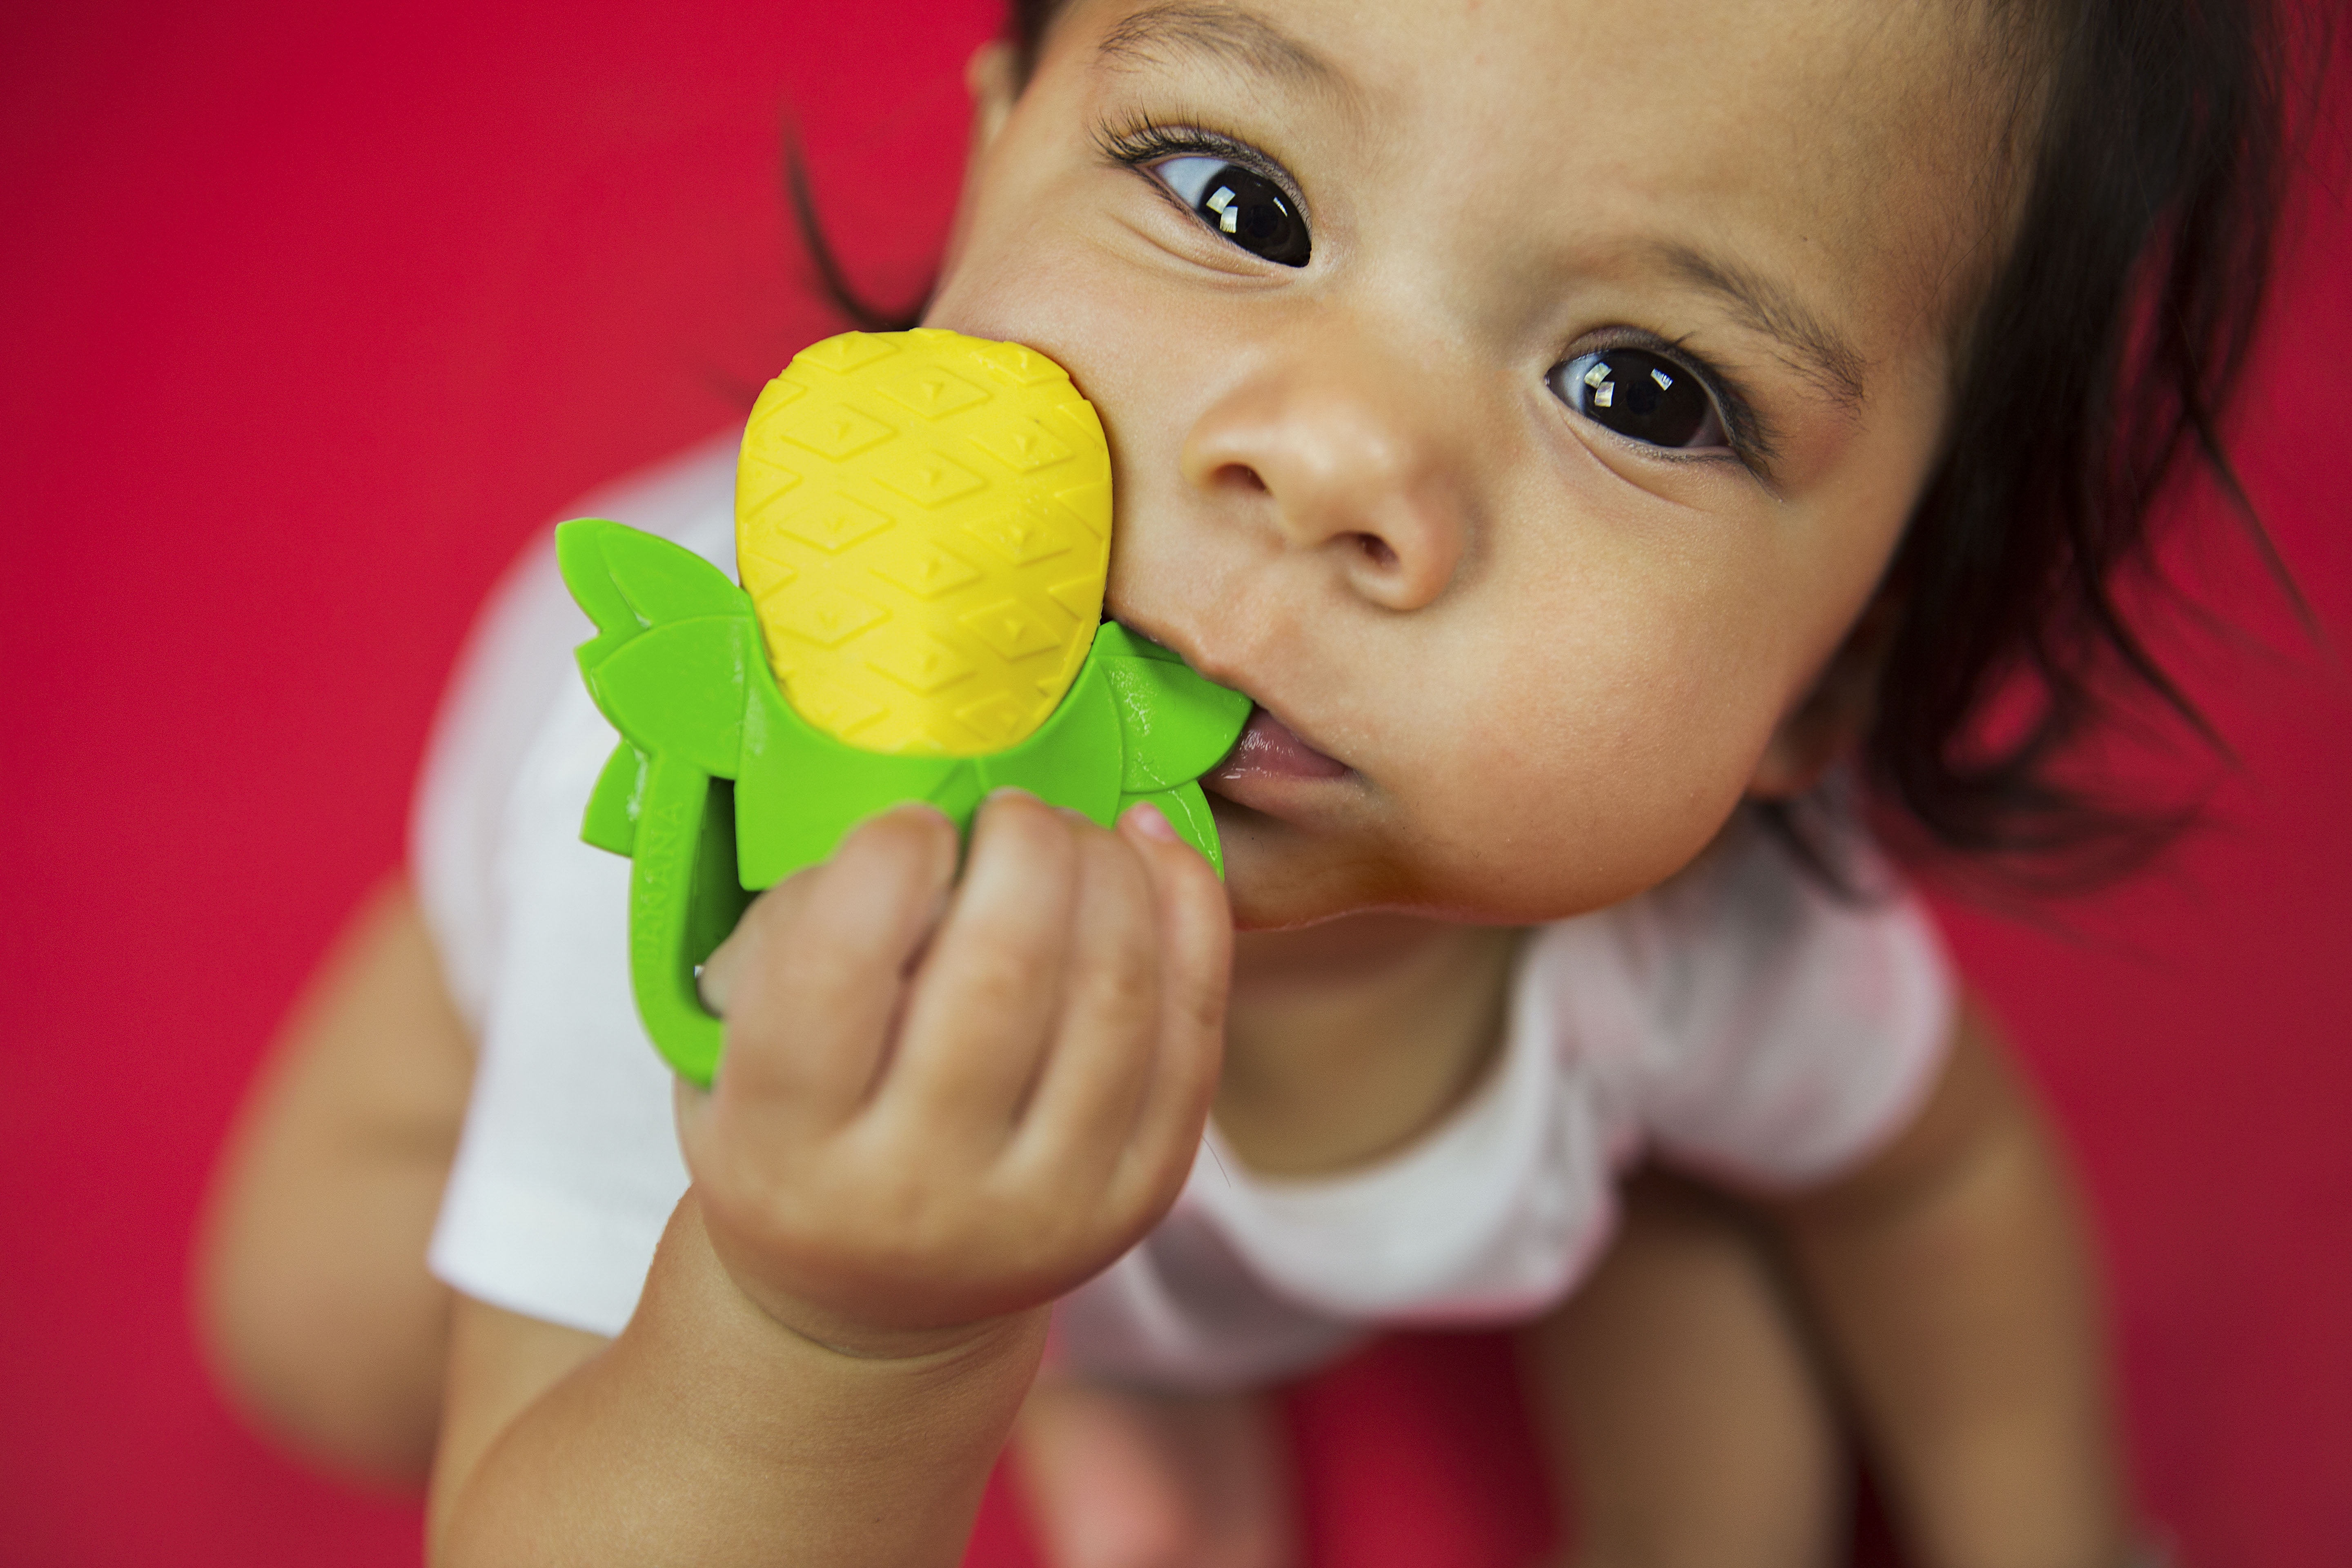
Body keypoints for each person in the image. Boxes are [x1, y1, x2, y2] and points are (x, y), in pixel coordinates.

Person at [196, 0, 2294, 1563]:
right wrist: (840, 1332)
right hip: (708, 1159)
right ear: (1002, 140)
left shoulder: (1711, 944)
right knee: (307, 1320)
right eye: (1237, 197)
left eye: (1644, 393)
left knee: (1716, 1348)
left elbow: (1925, 1184)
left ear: (1837, 676)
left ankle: (1128, 1372)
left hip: (1278, 1246)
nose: (1329, 459)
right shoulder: (714, 834)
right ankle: (1041, 1388)